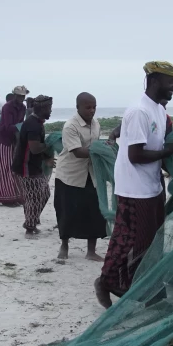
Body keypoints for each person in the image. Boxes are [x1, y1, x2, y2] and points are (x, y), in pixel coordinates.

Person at [94, 61, 173, 308]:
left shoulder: (159, 112)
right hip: (134, 189)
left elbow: (157, 151)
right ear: (154, 81)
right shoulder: (139, 112)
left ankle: (149, 289)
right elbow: (136, 155)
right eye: (170, 81)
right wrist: (167, 150)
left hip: (152, 186)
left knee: (152, 242)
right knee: (129, 241)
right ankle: (107, 282)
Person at [55, 93, 107, 261]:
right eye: (88, 107)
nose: (92, 110)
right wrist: (102, 151)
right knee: (66, 212)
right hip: (69, 175)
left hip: (91, 175)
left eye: (94, 107)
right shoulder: (70, 126)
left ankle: (91, 252)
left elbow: (96, 144)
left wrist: (106, 148)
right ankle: (64, 246)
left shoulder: (96, 124)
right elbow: (78, 152)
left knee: (94, 212)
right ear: (78, 107)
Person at [13, 95, 54, 236]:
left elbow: (36, 149)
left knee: (44, 194)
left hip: (34, 165)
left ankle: (31, 220)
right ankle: (30, 228)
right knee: (34, 197)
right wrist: (49, 144)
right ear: (42, 108)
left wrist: (46, 158)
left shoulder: (37, 122)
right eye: (49, 108)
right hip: (26, 167)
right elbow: (35, 148)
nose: (51, 111)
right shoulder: (33, 125)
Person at [0, 86, 28, 206]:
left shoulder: (23, 107)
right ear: (15, 95)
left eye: (23, 96)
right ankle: (6, 198)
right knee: (4, 167)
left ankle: (16, 195)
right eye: (19, 95)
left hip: (14, 138)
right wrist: (18, 134)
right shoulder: (7, 107)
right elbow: (8, 125)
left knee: (15, 167)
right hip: (3, 138)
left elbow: (20, 123)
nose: (21, 98)